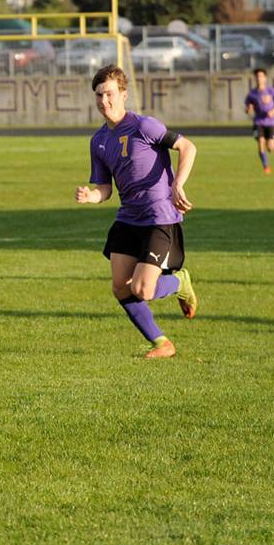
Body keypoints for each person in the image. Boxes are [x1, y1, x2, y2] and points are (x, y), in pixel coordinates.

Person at [75, 64, 199, 359]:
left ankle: (180, 281)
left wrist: (177, 184)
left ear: (123, 94)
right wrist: (92, 196)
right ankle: (161, 343)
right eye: (98, 96)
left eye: (108, 94)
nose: (103, 101)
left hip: (159, 217)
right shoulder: (98, 141)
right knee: (120, 287)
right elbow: (105, 187)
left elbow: (187, 147)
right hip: (128, 218)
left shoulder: (145, 126)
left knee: (143, 290)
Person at [244, 68, 274, 175]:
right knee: (261, 142)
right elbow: (247, 107)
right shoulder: (252, 94)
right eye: (257, 76)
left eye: (261, 76)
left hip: (270, 123)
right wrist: (249, 109)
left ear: (265, 78)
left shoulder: (271, 91)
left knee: (270, 148)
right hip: (258, 122)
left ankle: (271, 140)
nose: (259, 78)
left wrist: (273, 111)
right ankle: (266, 167)